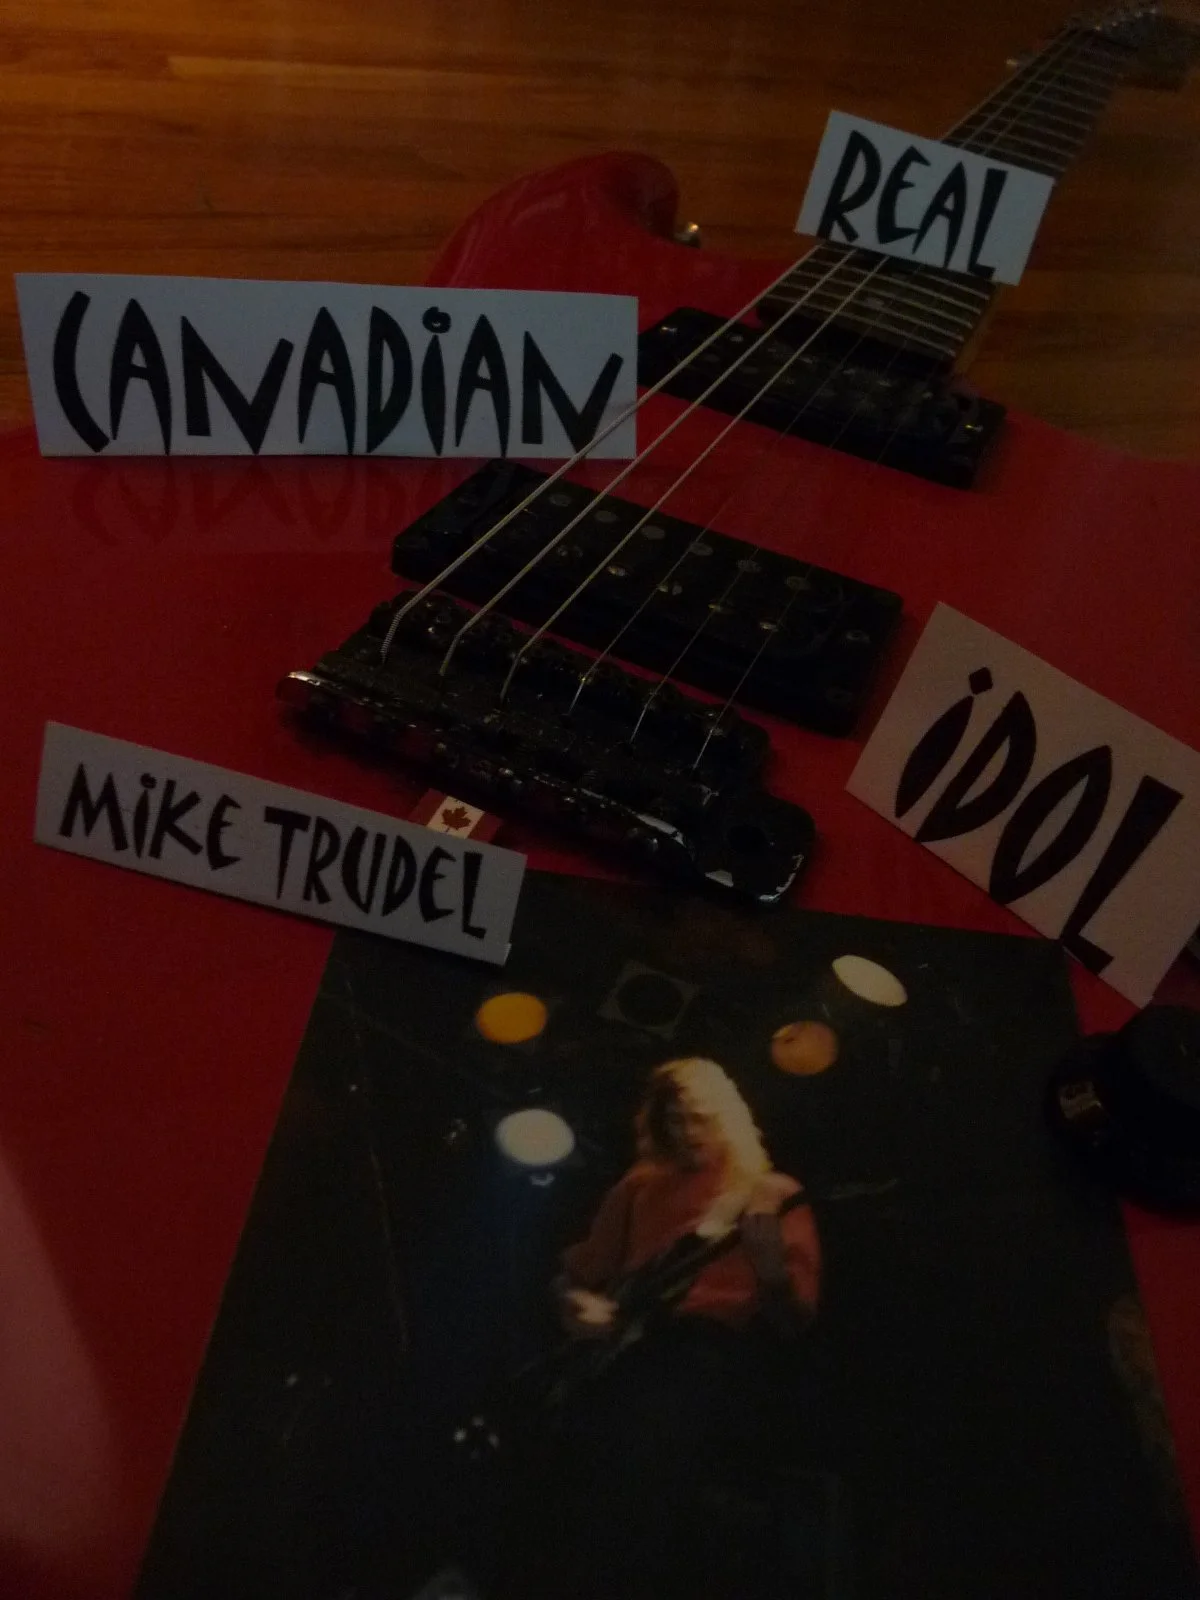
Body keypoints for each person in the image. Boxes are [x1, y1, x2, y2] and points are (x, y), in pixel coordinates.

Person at [531, 1058, 821, 1600]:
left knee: (644, 1503)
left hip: (711, 1362)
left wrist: (773, 1276)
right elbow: (573, 1274)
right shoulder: (640, 1187)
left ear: (727, 1119)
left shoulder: (770, 1194)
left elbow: (794, 1319)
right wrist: (574, 1303)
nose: (686, 1135)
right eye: (673, 1123)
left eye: (698, 1120)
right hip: (622, 1360)